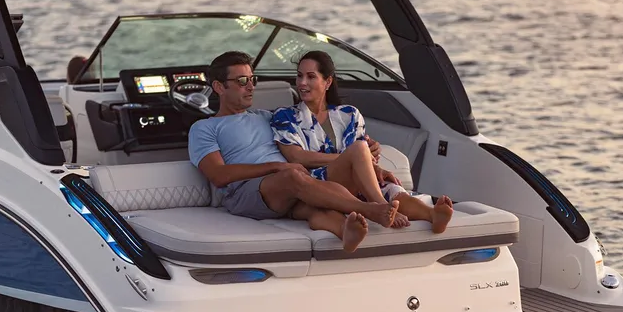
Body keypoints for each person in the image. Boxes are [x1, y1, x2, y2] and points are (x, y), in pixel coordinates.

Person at [188, 51, 400, 253]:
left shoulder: (267, 116)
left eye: (253, 80)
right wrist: (277, 166)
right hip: (247, 193)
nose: (251, 87)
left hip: (291, 186)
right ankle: (370, 209)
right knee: (293, 177)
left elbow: (307, 136)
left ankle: (345, 231)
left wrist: (373, 165)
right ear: (219, 87)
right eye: (242, 81)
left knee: (315, 207)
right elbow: (218, 175)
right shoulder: (205, 127)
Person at [270, 50, 453, 233]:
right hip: (314, 183)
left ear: (327, 82)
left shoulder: (349, 114)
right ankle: (381, 208)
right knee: (359, 149)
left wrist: (374, 167)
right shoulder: (285, 116)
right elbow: (297, 156)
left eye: (311, 77)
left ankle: (432, 215)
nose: (302, 83)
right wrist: (349, 158)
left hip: (352, 180)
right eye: (299, 76)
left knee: (389, 187)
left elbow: (362, 158)